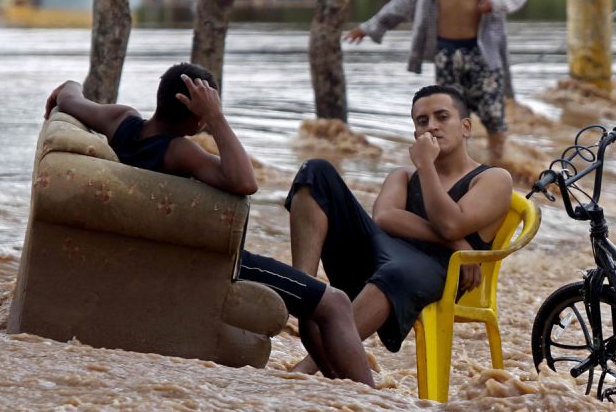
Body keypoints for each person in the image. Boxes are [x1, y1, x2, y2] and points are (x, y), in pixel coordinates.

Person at [44, 64, 373, 386]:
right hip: (210, 264)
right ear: (196, 112)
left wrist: (67, 85)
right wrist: (216, 118)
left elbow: (70, 97)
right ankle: (372, 402)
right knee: (335, 302)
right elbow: (245, 181)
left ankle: (338, 388)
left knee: (312, 302)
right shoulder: (177, 151)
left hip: (161, 257)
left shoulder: (120, 121)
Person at [286, 85, 512, 376]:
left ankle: (309, 367)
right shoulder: (404, 176)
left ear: (466, 126)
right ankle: (303, 293)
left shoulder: (493, 178)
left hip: (437, 271)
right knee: (315, 171)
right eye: (422, 121)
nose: (431, 127)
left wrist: (427, 165)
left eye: (442, 117)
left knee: (397, 270)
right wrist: (458, 242)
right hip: (381, 256)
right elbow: (385, 217)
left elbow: (450, 222)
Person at [345, 0, 527, 164]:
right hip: (446, 53)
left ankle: (499, 171)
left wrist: (497, 2)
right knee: (447, 119)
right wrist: (370, 26)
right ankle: (455, 172)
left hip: (483, 53)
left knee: (494, 119)